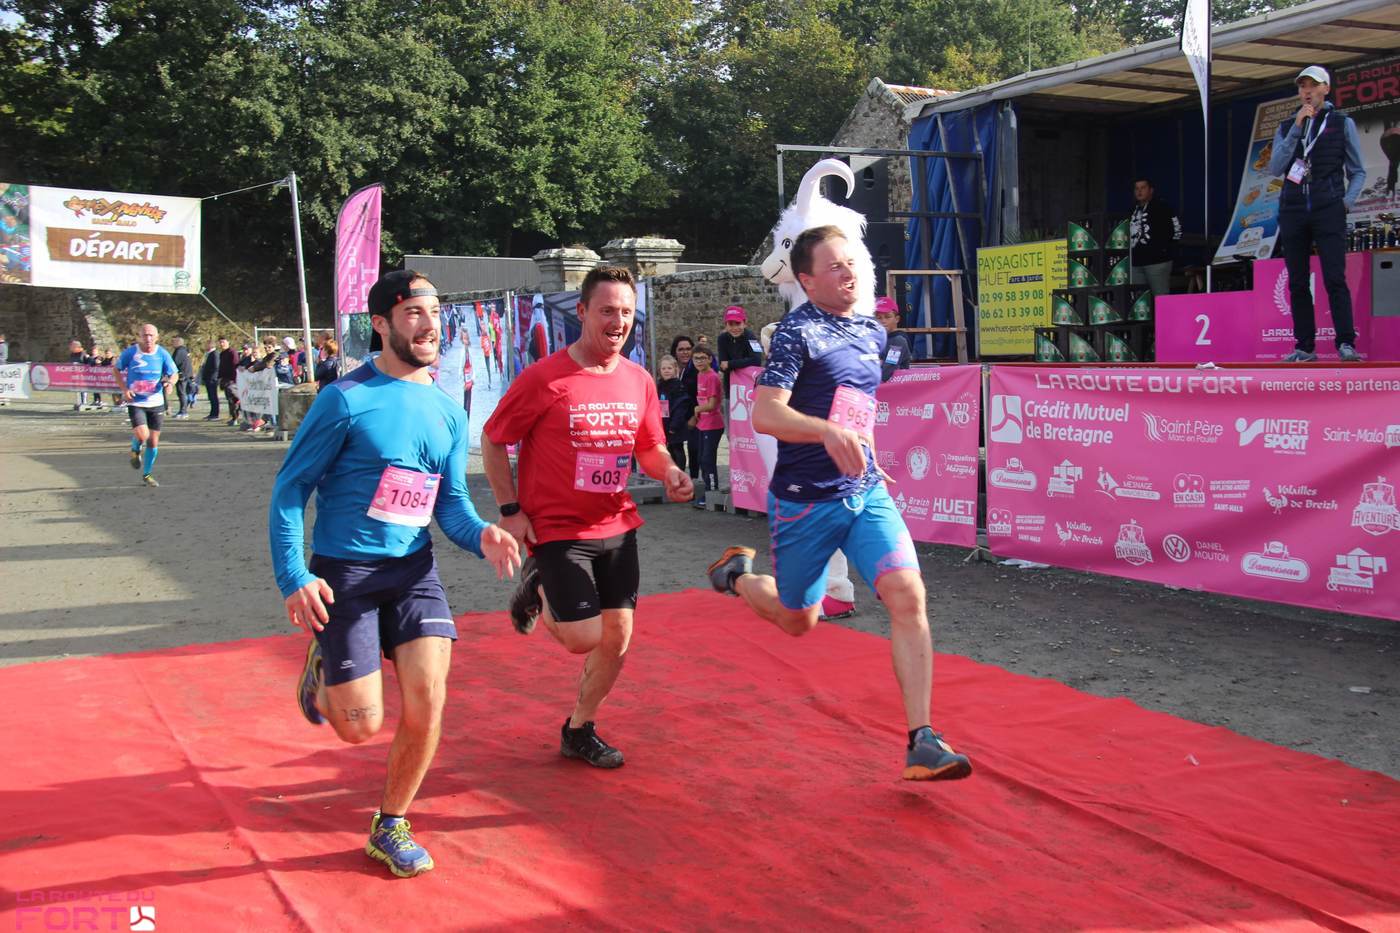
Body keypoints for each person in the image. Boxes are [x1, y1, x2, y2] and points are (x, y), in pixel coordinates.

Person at [269, 269, 520, 879]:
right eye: (413, 313)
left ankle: (391, 823)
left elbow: (450, 505)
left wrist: (481, 534)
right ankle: (326, 666)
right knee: (359, 728)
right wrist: (294, 575)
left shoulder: (447, 410)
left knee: (429, 701)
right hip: (344, 575)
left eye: (434, 313)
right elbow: (290, 489)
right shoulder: (344, 400)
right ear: (380, 324)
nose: (429, 325)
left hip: (413, 572)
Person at [705, 225, 972, 782]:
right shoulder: (796, 333)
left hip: (865, 491)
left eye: (852, 262)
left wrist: (864, 450)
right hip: (805, 502)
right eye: (834, 266)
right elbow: (766, 414)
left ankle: (923, 740)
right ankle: (738, 576)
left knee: (908, 594)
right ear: (806, 280)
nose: (849, 273)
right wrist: (827, 433)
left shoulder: (872, 331)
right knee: (798, 621)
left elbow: (856, 406)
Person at [482, 266, 692, 770]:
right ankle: (538, 587)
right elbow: (494, 438)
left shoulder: (638, 379)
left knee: (617, 639)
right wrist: (511, 511)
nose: (618, 321)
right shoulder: (544, 378)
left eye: (626, 312)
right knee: (583, 638)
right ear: (582, 312)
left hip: (616, 523)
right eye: (607, 311)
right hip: (557, 528)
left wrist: (669, 471)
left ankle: (579, 728)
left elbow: (649, 447)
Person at [1267, 65, 1366, 363]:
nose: (1307, 91)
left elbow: (1358, 171)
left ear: (1326, 89)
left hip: (1328, 208)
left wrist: (1345, 202)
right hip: (1293, 209)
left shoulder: (1342, 123)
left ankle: (1345, 343)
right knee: (1297, 282)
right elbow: (1275, 168)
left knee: (1334, 277)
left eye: (1313, 85)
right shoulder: (1287, 125)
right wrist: (1297, 128)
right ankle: (1304, 347)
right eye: (1302, 86)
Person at [113, 323, 178, 488]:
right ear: (139, 337)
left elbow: (174, 373)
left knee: (153, 442)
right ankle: (135, 449)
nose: (148, 338)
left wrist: (170, 383)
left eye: (151, 335)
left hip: (156, 402)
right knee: (143, 435)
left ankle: (147, 474)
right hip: (136, 401)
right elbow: (116, 369)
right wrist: (124, 389)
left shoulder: (162, 353)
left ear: (157, 337)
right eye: (145, 335)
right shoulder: (131, 352)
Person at [1128, 178, 1181, 297]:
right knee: (1138, 300)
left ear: (1151, 190)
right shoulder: (1131, 210)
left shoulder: (1162, 207)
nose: (1139, 191)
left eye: (1143, 188)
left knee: (1161, 297)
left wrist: (1165, 250)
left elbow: (1177, 230)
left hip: (1158, 262)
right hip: (1135, 263)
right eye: (1136, 188)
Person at [687, 345, 724, 507]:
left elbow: (712, 404)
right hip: (703, 424)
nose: (699, 361)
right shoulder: (700, 375)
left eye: (703, 358)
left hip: (713, 425)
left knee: (708, 459)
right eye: (696, 358)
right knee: (701, 458)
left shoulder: (712, 377)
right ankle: (708, 491)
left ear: (710, 359)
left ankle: (712, 492)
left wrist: (697, 409)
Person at [670, 335, 701, 485]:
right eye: (681, 349)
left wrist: (695, 417)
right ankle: (677, 480)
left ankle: (694, 481)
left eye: (688, 349)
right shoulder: (671, 370)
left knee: (694, 450)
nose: (685, 352)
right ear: (675, 352)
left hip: (693, 417)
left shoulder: (697, 370)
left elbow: (702, 396)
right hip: (676, 418)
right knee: (675, 449)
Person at [655, 355, 692, 475]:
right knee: (668, 449)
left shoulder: (678, 386)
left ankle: (680, 473)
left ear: (675, 370)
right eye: (664, 368)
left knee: (677, 448)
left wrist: (674, 425)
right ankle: (671, 472)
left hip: (675, 424)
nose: (666, 371)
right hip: (664, 423)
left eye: (669, 368)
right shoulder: (660, 385)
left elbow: (681, 407)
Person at [716, 305, 763, 394]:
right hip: (731, 387)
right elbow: (722, 366)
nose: (734, 328)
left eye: (738, 323)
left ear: (744, 323)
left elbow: (757, 360)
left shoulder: (751, 337)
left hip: (749, 386)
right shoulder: (722, 339)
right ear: (726, 325)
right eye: (730, 324)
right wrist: (741, 363)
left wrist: (730, 364)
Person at [874, 297, 913, 382]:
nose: (883, 321)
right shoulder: (873, 340)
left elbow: (887, 371)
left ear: (897, 319)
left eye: (888, 317)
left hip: (895, 388)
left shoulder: (898, 341)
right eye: (879, 317)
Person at [170, 336, 193, 420]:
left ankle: (183, 411)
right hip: (186, 375)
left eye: (173, 342)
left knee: (182, 393)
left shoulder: (179, 351)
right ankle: (182, 410)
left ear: (178, 342)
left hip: (182, 375)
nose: (172, 343)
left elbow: (174, 363)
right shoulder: (185, 351)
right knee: (182, 393)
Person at [217, 337, 239, 425]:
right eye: (220, 342)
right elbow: (221, 367)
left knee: (233, 399)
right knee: (229, 399)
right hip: (225, 379)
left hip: (232, 380)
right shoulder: (222, 354)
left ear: (228, 342)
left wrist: (234, 380)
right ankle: (233, 417)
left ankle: (235, 417)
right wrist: (220, 377)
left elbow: (235, 366)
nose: (222, 344)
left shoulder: (232, 352)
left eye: (223, 342)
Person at [68, 339, 93, 411]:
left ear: (76, 347)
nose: (70, 348)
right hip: (75, 375)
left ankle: (84, 402)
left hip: (83, 375)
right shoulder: (72, 354)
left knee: (83, 389)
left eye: (72, 346)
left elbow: (89, 362)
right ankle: (79, 402)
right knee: (77, 389)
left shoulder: (83, 354)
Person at [200, 340, 221, 420]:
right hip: (208, 378)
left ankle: (215, 414)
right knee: (210, 396)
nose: (205, 346)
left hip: (212, 379)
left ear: (210, 345)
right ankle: (212, 413)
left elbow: (216, 366)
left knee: (213, 396)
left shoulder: (215, 354)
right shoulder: (208, 354)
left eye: (206, 345)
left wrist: (212, 376)